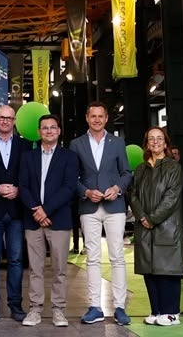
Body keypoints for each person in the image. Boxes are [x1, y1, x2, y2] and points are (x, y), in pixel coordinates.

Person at [69, 101, 132, 326]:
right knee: (92, 258)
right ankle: (95, 306)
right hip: (89, 206)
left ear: (106, 119)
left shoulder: (117, 142)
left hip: (114, 206)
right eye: (93, 116)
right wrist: (85, 191)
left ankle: (120, 308)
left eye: (101, 116)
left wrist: (118, 188)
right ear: (87, 118)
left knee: (117, 257)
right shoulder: (76, 144)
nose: (97, 119)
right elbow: (72, 177)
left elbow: (126, 173)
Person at [18, 114, 77, 328]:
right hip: (33, 219)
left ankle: (59, 310)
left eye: (53, 127)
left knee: (60, 268)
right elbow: (22, 186)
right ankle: (35, 309)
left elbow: (69, 188)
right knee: (35, 268)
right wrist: (37, 209)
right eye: (45, 128)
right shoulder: (28, 157)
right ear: (39, 131)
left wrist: (46, 210)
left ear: (59, 131)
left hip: (58, 220)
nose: (49, 131)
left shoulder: (69, 157)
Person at [130, 127, 183, 327]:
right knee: (149, 270)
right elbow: (133, 194)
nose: (155, 142)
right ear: (147, 143)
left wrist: (152, 218)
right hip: (145, 226)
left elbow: (171, 197)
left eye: (159, 138)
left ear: (165, 143)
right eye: (151, 139)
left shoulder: (173, 167)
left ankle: (171, 312)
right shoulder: (140, 169)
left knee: (167, 271)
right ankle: (156, 310)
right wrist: (142, 217)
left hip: (167, 226)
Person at [0, 104, 29, 323]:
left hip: (16, 211)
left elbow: (30, 175)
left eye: (9, 118)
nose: (5, 121)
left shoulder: (25, 145)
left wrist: (19, 189)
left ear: (14, 121)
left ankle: (15, 305)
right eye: (1, 117)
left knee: (16, 260)